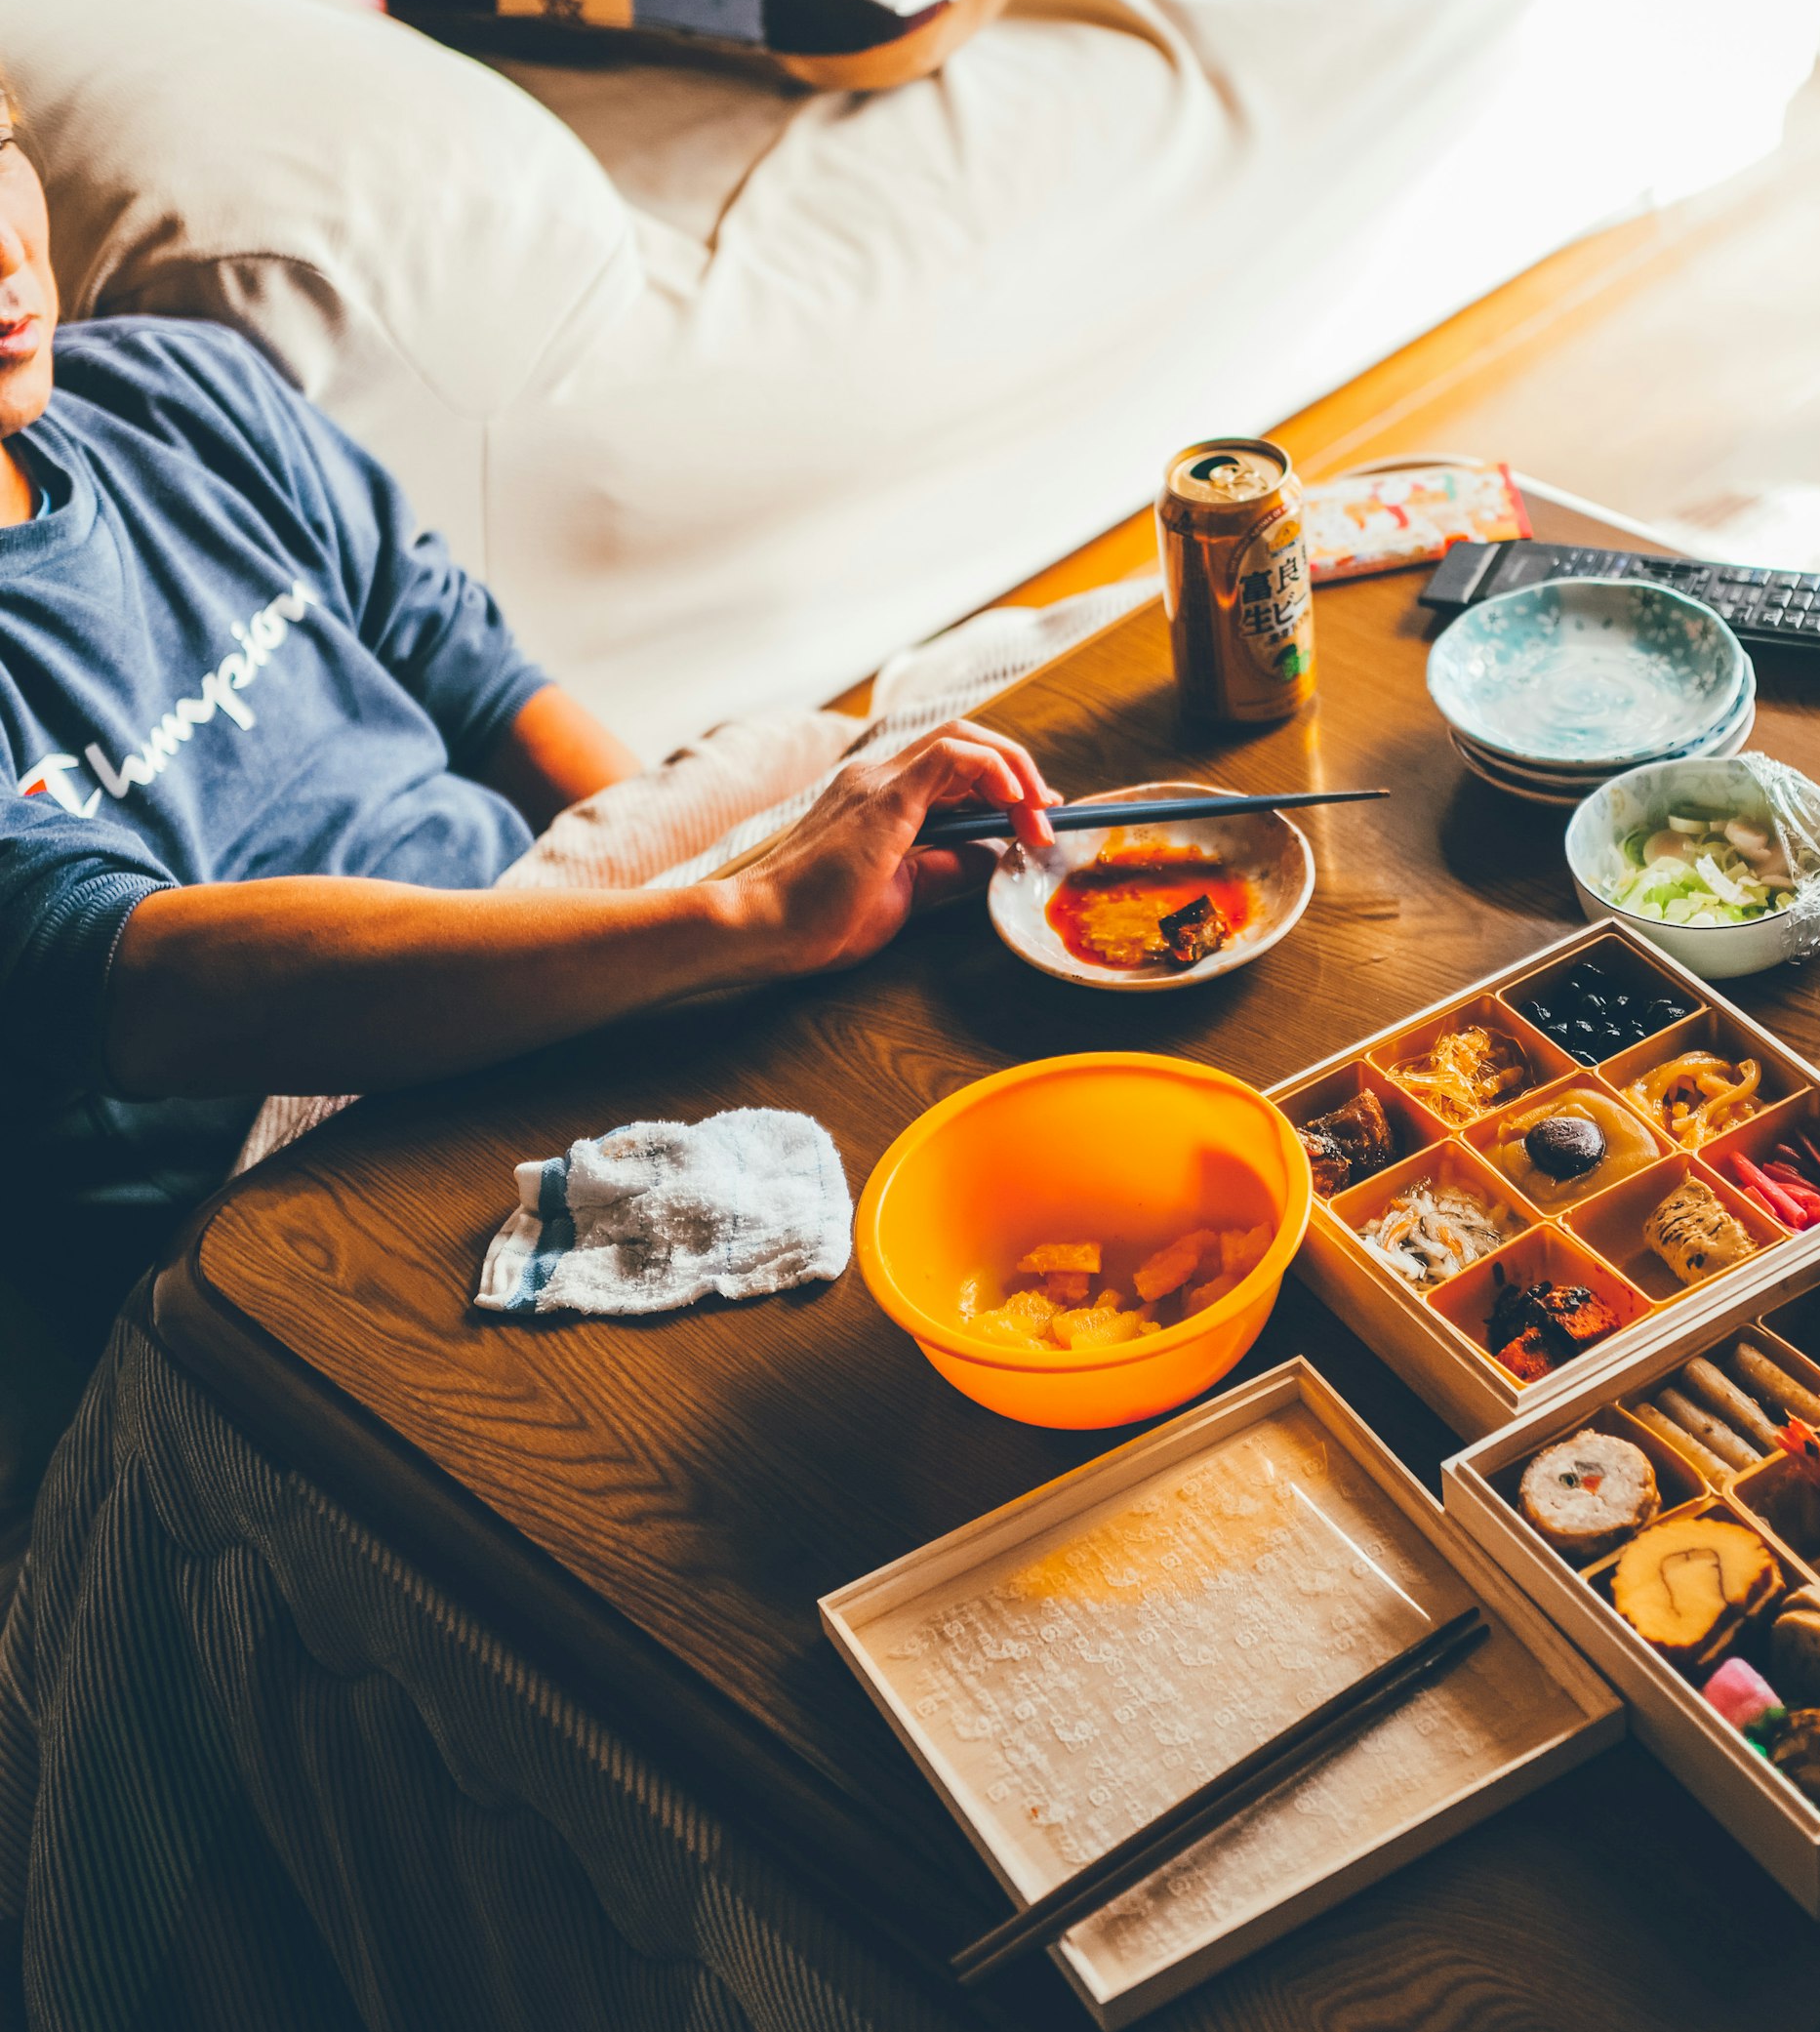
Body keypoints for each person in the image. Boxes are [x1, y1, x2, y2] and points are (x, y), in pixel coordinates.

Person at [0, 73, 1056, 1357]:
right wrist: (739, 919)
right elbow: (143, 982)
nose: (9, 253)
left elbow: (483, 682)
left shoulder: (182, 392)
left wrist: (701, 919)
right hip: (287, 1174)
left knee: (952, 752)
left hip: (569, 956)